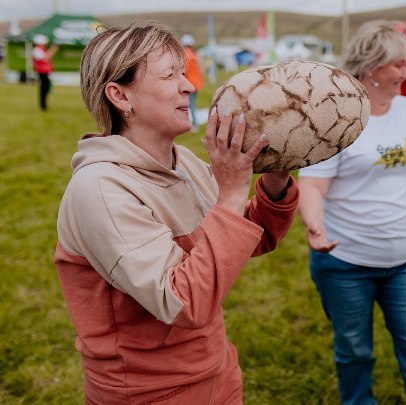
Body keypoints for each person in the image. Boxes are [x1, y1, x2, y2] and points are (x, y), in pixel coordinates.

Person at [54, 22, 298, 404]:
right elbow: (183, 300)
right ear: (120, 95)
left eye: (184, 73)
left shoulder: (181, 162)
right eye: (171, 74)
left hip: (217, 372)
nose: (189, 86)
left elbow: (246, 240)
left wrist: (275, 180)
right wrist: (231, 193)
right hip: (149, 392)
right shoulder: (99, 189)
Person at [298, 20, 406, 405]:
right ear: (370, 66)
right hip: (346, 261)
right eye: (398, 65)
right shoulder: (337, 118)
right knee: (354, 353)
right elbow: (313, 184)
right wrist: (314, 225)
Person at [181, 33, 204, 132]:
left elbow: (184, 71)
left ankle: (194, 125)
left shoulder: (186, 55)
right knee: (191, 104)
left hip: (191, 84)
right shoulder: (194, 54)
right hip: (197, 83)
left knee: (191, 105)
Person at [32, 33, 58, 110]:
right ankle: (43, 105)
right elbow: (46, 58)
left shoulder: (40, 50)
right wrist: (52, 50)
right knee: (44, 88)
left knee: (46, 88)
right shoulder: (37, 50)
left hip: (45, 72)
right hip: (42, 72)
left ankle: (44, 104)